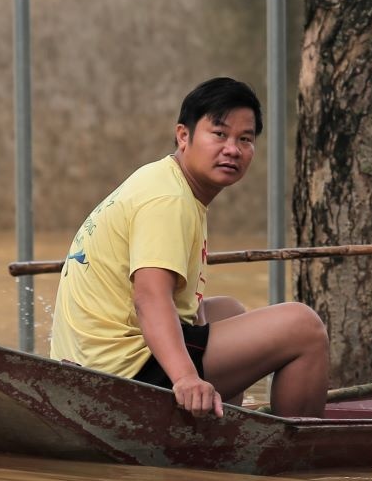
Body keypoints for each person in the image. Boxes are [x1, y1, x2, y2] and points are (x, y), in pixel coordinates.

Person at [49, 77, 328, 418]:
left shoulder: (165, 180)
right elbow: (150, 297)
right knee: (304, 327)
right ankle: (295, 445)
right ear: (184, 136)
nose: (233, 149)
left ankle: (209, 429)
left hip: (89, 360)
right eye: (220, 134)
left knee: (229, 311)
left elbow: (179, 303)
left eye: (246, 139)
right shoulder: (169, 200)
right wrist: (185, 378)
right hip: (121, 371)